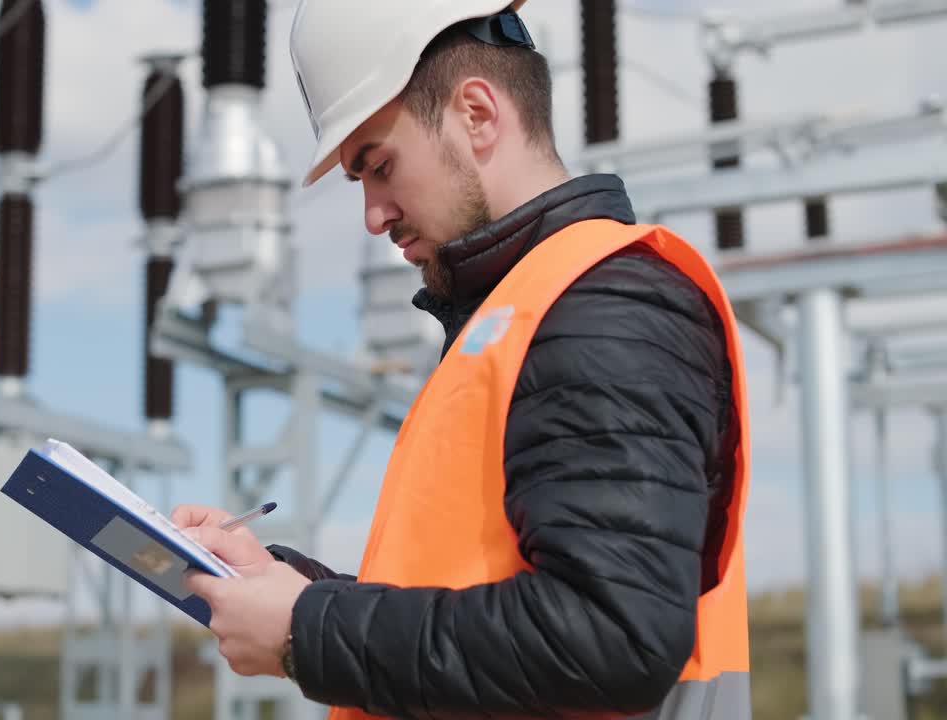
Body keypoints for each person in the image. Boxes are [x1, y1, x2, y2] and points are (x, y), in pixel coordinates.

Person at [174, 1, 752, 718]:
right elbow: (477, 600)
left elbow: (611, 638)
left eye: (379, 166)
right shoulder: (526, 312)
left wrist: (306, 629)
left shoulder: (605, 309)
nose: (373, 214)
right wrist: (295, 589)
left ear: (477, 114)